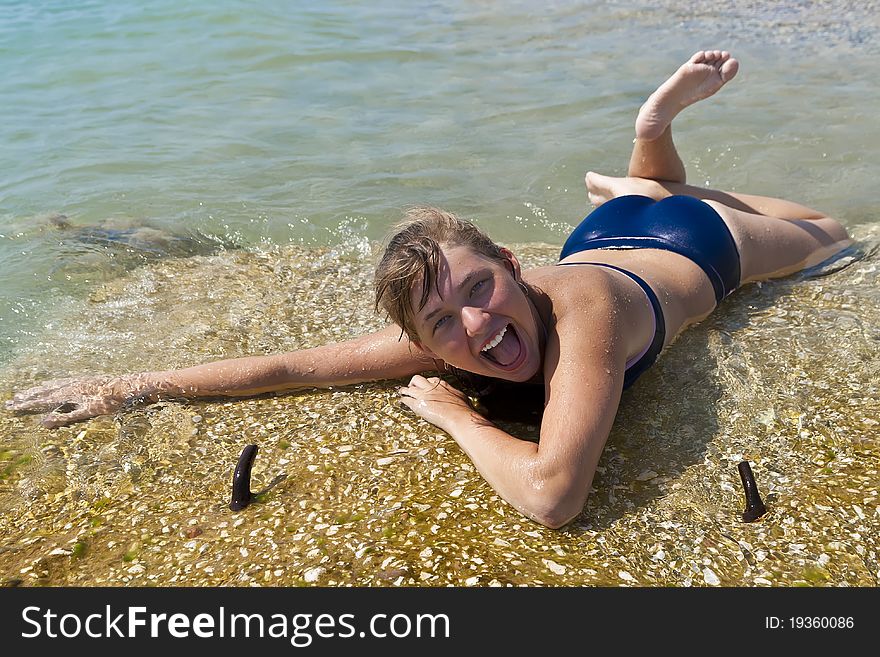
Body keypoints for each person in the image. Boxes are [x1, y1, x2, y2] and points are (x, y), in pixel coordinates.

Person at [6, 51, 852, 528]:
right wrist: (129, 386)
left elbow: (553, 494)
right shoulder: (448, 329)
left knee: (833, 238)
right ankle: (646, 160)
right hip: (604, 235)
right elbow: (292, 367)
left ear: (515, 267)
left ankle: (656, 148)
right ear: (421, 336)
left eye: (482, 287)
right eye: (444, 321)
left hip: (698, 250)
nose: (477, 326)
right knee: (644, 195)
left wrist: (457, 415)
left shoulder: (585, 316)